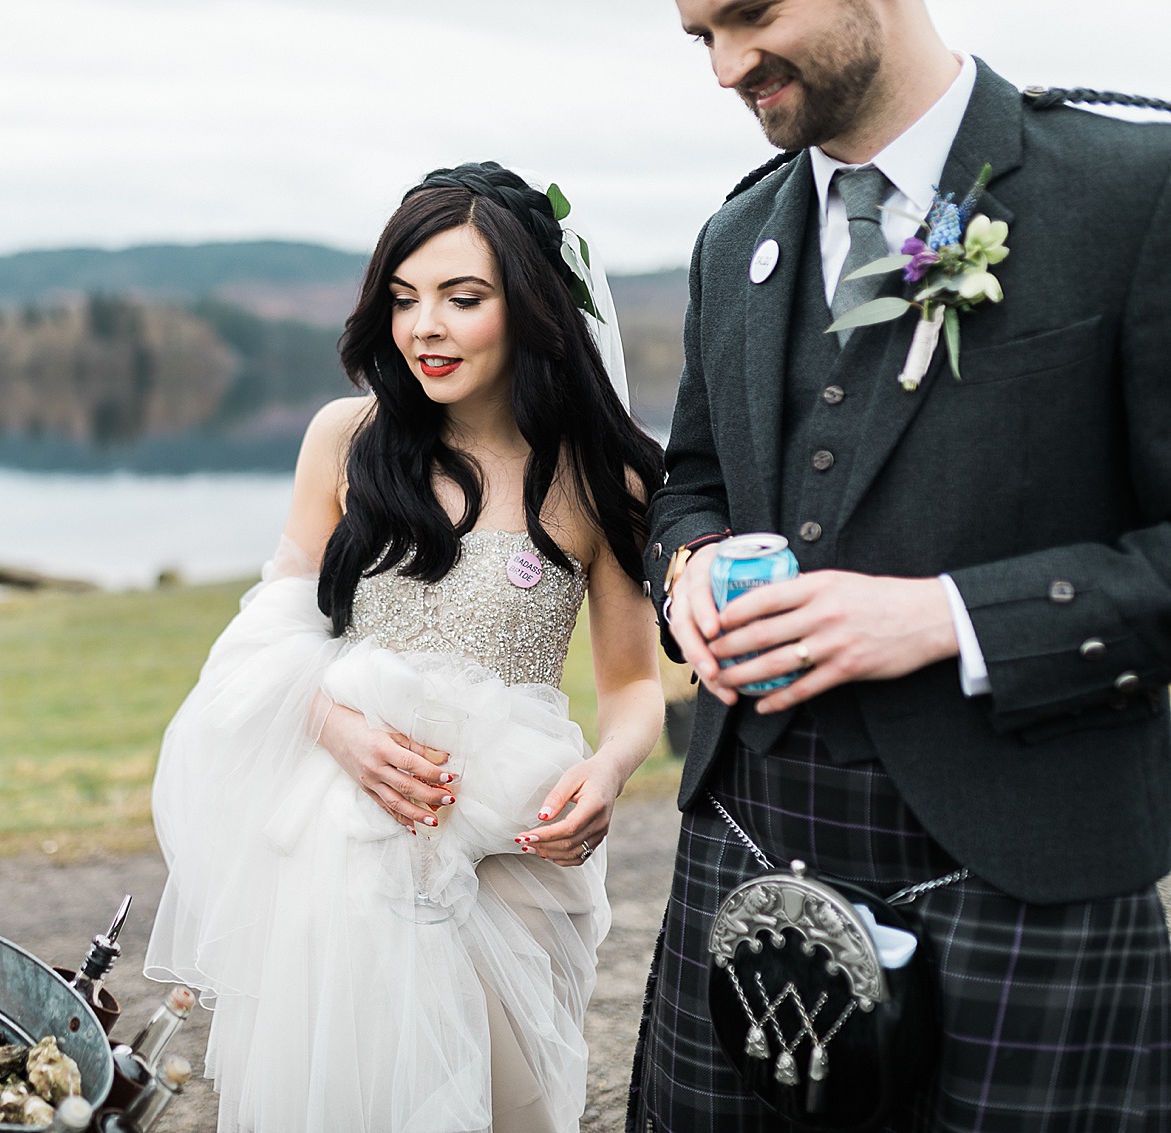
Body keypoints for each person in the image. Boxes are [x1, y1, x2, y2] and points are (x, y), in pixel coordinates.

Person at [634, 0, 1171, 1128]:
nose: (728, 67)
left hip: (1023, 867)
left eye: (750, 15)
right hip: (743, 842)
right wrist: (682, 571)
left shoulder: (1133, 188)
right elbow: (688, 485)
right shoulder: (733, 239)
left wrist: (948, 617)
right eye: (699, 38)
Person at [145, 162, 666, 1133]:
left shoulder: (602, 480)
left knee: (499, 1101)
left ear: (530, 305)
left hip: (511, 855)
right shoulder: (345, 440)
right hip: (340, 856)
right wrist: (331, 722)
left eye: (460, 298)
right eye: (402, 298)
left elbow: (632, 681)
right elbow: (268, 636)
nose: (423, 326)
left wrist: (610, 762)